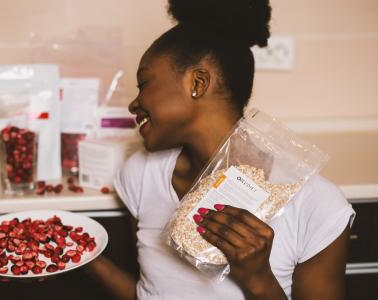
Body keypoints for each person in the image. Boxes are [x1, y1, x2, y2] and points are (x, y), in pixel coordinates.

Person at [84, 0, 355, 299]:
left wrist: (258, 279)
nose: (133, 103)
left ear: (198, 82)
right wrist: (81, 259)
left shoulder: (316, 205)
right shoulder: (141, 173)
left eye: (144, 82)